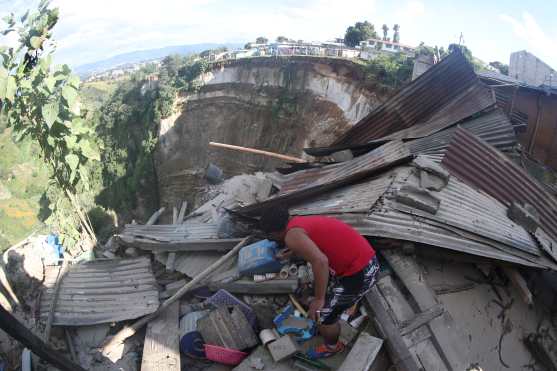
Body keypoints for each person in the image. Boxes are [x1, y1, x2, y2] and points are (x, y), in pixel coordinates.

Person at [259, 207, 380, 359]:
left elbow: (321, 261)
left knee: (322, 316)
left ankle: (333, 347)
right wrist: (295, 251)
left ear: (274, 232)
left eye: (269, 236)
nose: (271, 240)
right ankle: (343, 304)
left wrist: (319, 299)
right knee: (324, 297)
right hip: (365, 259)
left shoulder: (291, 236)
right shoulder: (297, 221)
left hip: (360, 272)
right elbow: (316, 245)